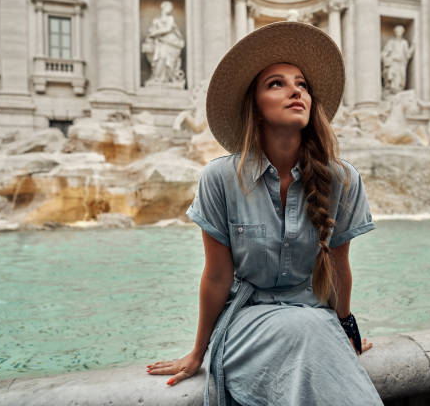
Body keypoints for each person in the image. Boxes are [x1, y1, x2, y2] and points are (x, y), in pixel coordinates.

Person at [147, 21, 383, 406]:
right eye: (277, 83)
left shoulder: (342, 179)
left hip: (315, 320)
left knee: (310, 327)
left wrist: (347, 329)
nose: (296, 91)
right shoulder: (220, 177)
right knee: (305, 329)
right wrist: (197, 353)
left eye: (302, 84)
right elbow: (217, 276)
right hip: (246, 323)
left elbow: (339, 266)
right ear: (255, 106)